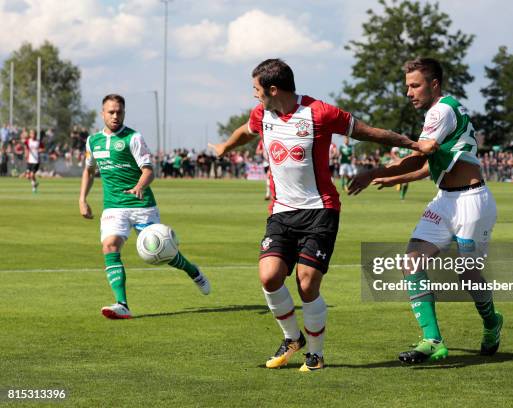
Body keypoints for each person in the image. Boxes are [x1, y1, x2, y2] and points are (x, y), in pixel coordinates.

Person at [209, 58, 419, 371]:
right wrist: (224, 147)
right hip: (281, 212)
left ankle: (316, 354)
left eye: (256, 89)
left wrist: (410, 143)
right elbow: (245, 131)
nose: (254, 95)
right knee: (269, 276)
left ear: (274, 89)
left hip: (320, 211)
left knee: (306, 284)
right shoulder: (262, 113)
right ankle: (292, 338)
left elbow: (368, 132)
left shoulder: (320, 112)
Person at [349, 57, 503, 363]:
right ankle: (432, 340)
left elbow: (423, 151)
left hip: (472, 202)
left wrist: (383, 153)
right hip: (445, 200)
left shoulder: (441, 110)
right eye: (407, 86)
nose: (409, 92)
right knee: (412, 261)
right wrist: (383, 175)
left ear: (434, 84)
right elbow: (425, 165)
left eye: (415, 85)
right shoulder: (439, 112)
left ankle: (491, 322)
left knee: (467, 272)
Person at [79, 94, 210, 320]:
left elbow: (149, 170)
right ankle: (123, 304)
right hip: (114, 207)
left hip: (142, 206)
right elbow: (89, 171)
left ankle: (193, 271)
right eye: (111, 112)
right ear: (102, 113)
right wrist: (82, 199)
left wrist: (140, 186)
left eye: (119, 112)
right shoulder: (93, 141)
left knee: (162, 253)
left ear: (124, 113)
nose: (115, 116)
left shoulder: (133, 137)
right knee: (110, 246)